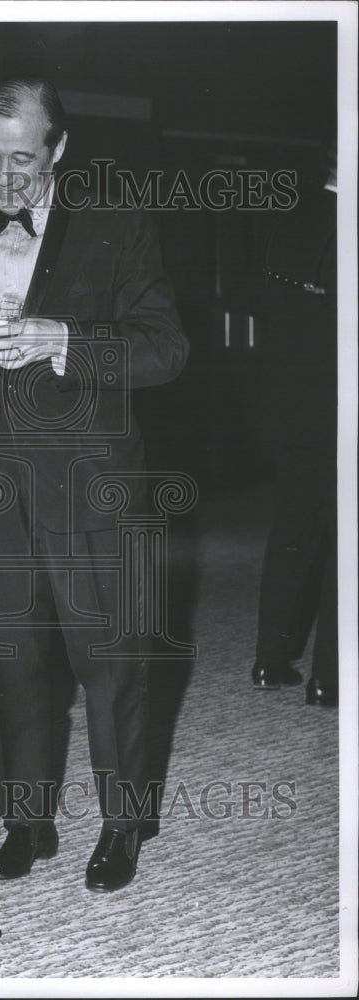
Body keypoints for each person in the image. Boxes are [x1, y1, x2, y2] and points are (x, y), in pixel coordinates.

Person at [0, 78, 188, 893]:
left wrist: (66, 339)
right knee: (12, 658)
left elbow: (167, 350)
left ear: (59, 150)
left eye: (22, 160)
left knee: (112, 661)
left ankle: (123, 822)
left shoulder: (117, 223)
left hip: (91, 478)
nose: (3, 181)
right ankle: (28, 818)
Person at [250, 142, 338, 707]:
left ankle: (269, 660)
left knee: (291, 533)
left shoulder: (287, 222)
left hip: (287, 408)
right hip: (339, 408)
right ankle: (330, 677)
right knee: (344, 544)